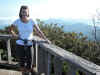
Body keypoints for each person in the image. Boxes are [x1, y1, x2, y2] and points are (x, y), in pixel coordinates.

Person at [10, 5, 51, 72]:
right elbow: (11, 28)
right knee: (21, 63)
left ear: (28, 13)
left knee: (30, 62)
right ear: (20, 13)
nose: (24, 13)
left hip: (29, 44)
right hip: (20, 44)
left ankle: (28, 72)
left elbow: (38, 31)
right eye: (23, 12)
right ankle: (23, 73)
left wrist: (45, 39)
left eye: (26, 12)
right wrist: (14, 34)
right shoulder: (17, 21)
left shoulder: (31, 21)